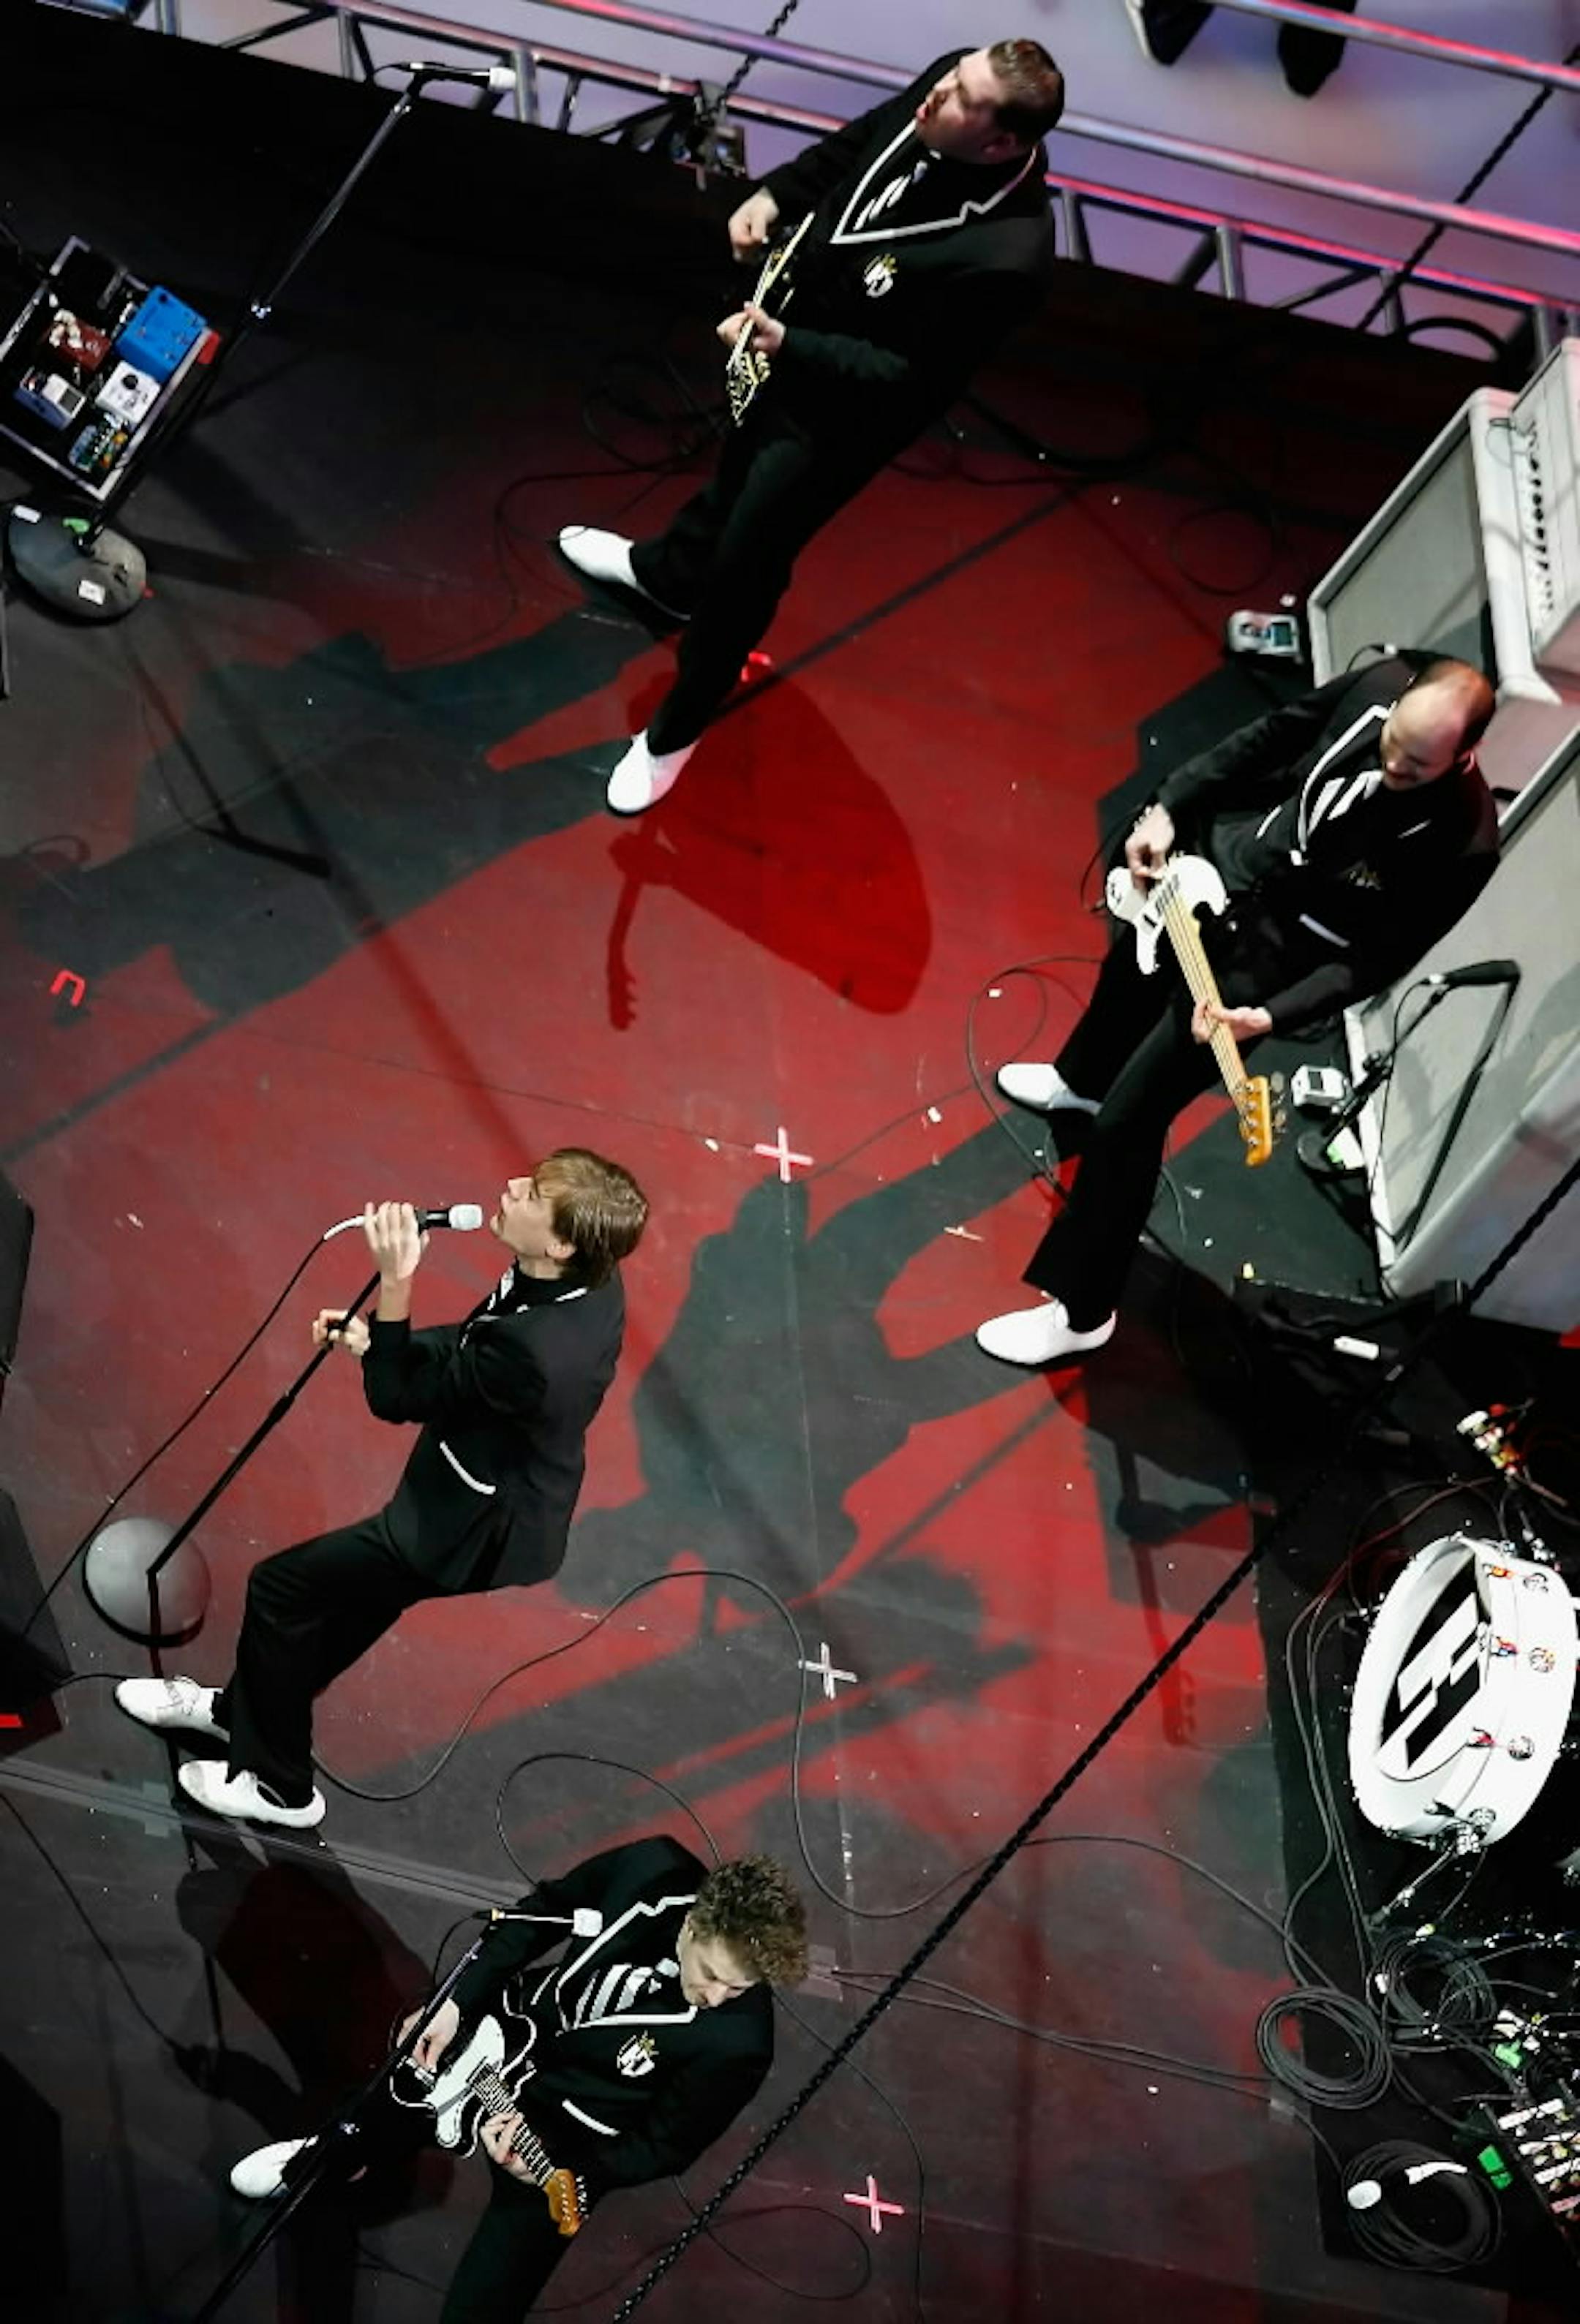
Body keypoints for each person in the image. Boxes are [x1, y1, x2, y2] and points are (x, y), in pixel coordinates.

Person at [559, 41, 1064, 814]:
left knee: (748, 566)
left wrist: (788, 344)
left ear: (1000, 144)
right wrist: (776, 195)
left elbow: (910, 377)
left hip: (839, 420)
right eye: (952, 78)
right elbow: (858, 145)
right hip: (785, 332)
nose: (939, 92)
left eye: (963, 96)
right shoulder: (944, 90)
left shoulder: (1007, 256)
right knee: (729, 473)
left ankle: (676, 732)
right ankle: (667, 578)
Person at [977, 654, 1500, 1367]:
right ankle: (1081, 1082)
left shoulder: (1464, 844)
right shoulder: (1379, 681)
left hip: (1265, 969)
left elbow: (1374, 961)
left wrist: (1271, 1016)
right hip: (1227, 864)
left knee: (1128, 1127)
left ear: (1465, 754)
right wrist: (1170, 805)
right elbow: (1268, 738)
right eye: (1392, 744)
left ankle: (1082, 1311)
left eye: (1417, 766)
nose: (1393, 767)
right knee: (1130, 970)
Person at [116, 1150, 650, 1827]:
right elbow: (475, 1347)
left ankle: (282, 1789)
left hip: (465, 1529)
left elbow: (399, 1398)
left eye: (535, 1194)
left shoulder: (541, 1353)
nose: (513, 1187)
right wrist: (383, 1341)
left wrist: (396, 1285)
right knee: (347, 1614)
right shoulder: (587, 1281)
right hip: (485, 1490)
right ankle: (240, 1714)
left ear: (562, 1243)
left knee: (281, 1589)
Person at [227, 1836, 808, 2323]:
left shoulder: (741, 2047)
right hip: (514, 2026)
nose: (716, 1998)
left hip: (569, 2137)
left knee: (488, 2301)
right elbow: (540, 1914)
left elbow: (665, 2147)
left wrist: (577, 2171)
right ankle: (329, 2159)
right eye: (710, 1973)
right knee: (392, 2096)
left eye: (737, 1988)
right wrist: (457, 2002)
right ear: (695, 1920)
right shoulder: (651, 1867)